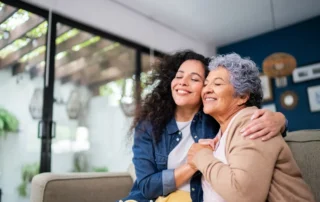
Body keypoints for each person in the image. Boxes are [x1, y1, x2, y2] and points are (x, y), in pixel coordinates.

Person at [121, 50, 287, 202]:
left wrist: (280, 120)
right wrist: (192, 165)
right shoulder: (148, 125)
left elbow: (248, 124)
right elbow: (147, 187)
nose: (183, 83)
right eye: (178, 76)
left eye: (194, 79)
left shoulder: (215, 119)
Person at [187, 53, 315, 202]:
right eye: (206, 83)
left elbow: (244, 196)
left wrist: (201, 156)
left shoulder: (253, 123)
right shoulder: (222, 132)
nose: (206, 90)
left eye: (217, 84)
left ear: (242, 96)